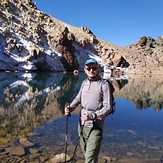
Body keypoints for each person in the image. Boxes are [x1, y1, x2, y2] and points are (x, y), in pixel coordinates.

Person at [65, 58, 113, 163]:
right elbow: (78, 98)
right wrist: (70, 108)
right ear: (85, 69)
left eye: (94, 68)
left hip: (96, 126)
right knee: (87, 152)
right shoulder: (84, 82)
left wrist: (91, 116)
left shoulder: (104, 85)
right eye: (89, 68)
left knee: (90, 156)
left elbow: (108, 107)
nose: (91, 70)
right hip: (82, 124)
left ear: (98, 69)